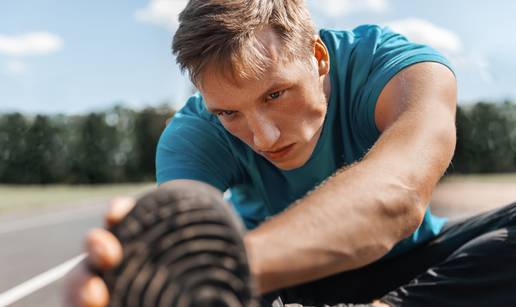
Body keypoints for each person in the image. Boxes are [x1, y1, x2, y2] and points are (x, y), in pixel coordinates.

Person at [67, 0, 516, 306]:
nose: (262, 138)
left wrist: (222, 268)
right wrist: (142, 271)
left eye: (275, 94)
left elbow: (398, 196)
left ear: (318, 56)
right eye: (228, 112)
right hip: (285, 285)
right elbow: (186, 224)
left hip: (419, 271)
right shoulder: (192, 133)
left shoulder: (398, 67)